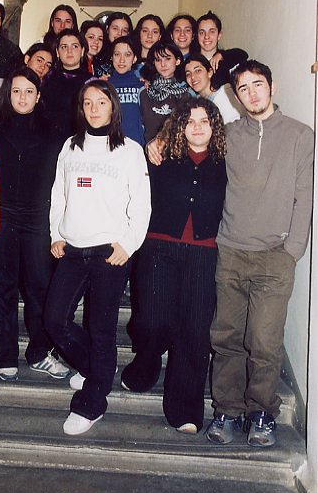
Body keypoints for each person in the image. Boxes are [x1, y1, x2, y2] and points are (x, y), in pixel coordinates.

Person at [199, 60, 313, 447]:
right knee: (227, 336)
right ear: (235, 95)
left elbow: (304, 196)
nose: (252, 93)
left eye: (258, 84)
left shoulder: (300, 135)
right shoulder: (228, 135)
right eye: (243, 88)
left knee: (264, 340)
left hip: (275, 256)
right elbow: (190, 144)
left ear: (272, 87)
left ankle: (262, 411)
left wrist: (292, 250)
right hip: (231, 251)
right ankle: (227, 409)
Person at [44, 80, 151, 435]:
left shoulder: (129, 151)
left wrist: (128, 244)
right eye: (87, 103)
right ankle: (97, 368)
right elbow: (59, 194)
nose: (93, 109)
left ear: (113, 107)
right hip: (73, 250)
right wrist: (56, 234)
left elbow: (141, 204)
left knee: (101, 329)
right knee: (54, 320)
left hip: (109, 253)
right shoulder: (70, 147)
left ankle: (92, 403)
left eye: (101, 102)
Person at [121, 98, 227, 434]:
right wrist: (153, 142)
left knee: (194, 331)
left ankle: (184, 409)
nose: (197, 127)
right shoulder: (160, 156)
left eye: (204, 121)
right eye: (190, 121)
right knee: (152, 321)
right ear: (179, 126)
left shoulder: (226, 163)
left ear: (214, 127)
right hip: (158, 249)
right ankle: (146, 365)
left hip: (204, 254)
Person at [0, 67, 69, 382]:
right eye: (16, 91)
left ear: (38, 96)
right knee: (5, 288)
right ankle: (6, 355)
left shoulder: (55, 133)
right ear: (7, 95)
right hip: (3, 218)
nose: (22, 97)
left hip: (39, 220)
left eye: (29, 91)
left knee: (40, 288)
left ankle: (39, 353)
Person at [40, 28, 92, 141]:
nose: (69, 51)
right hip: (49, 141)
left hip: (79, 141)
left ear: (82, 50)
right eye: (64, 47)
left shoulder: (91, 82)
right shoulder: (46, 79)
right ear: (57, 52)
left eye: (75, 46)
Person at [139, 40, 189, 142]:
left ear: (177, 61)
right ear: (153, 63)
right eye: (158, 60)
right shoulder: (144, 92)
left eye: (168, 58)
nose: (163, 64)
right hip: (150, 149)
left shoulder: (187, 94)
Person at [0, 42, 55, 115]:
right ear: (27, 59)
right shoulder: (3, 83)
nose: (43, 67)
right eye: (39, 61)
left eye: (47, 65)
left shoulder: (48, 91)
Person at [184, 54, 245, 124]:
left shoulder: (225, 94)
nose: (192, 77)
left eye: (198, 71)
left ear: (210, 72)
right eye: (188, 74)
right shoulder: (198, 101)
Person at [196, 10, 248, 87]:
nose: (206, 36)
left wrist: (222, 55)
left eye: (212, 32)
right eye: (202, 32)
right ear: (197, 36)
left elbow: (243, 54)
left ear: (219, 35)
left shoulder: (227, 61)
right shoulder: (192, 62)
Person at [108, 36, 144, 145]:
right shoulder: (104, 86)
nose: (122, 60)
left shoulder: (143, 86)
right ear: (112, 57)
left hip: (137, 146)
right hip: (110, 145)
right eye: (117, 54)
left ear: (135, 58)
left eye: (127, 55)